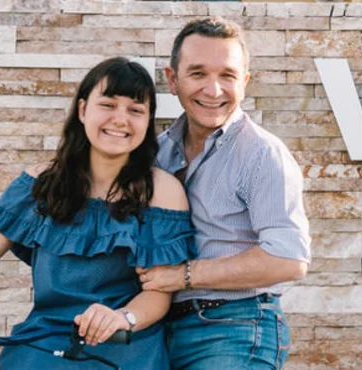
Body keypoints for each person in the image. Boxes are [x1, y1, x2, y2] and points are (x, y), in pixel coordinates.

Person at [0, 57, 197, 369]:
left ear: (147, 122)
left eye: (135, 110)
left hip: (124, 343)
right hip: (42, 341)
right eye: (108, 104)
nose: (121, 119)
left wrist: (122, 318)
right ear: (83, 110)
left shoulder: (163, 191)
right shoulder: (40, 182)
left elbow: (159, 293)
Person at [136, 18, 311, 370]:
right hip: (157, 329)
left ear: (244, 83)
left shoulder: (262, 154)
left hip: (235, 327)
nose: (213, 90)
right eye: (198, 73)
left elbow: (288, 258)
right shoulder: (157, 152)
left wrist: (184, 275)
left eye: (227, 76)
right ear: (172, 79)